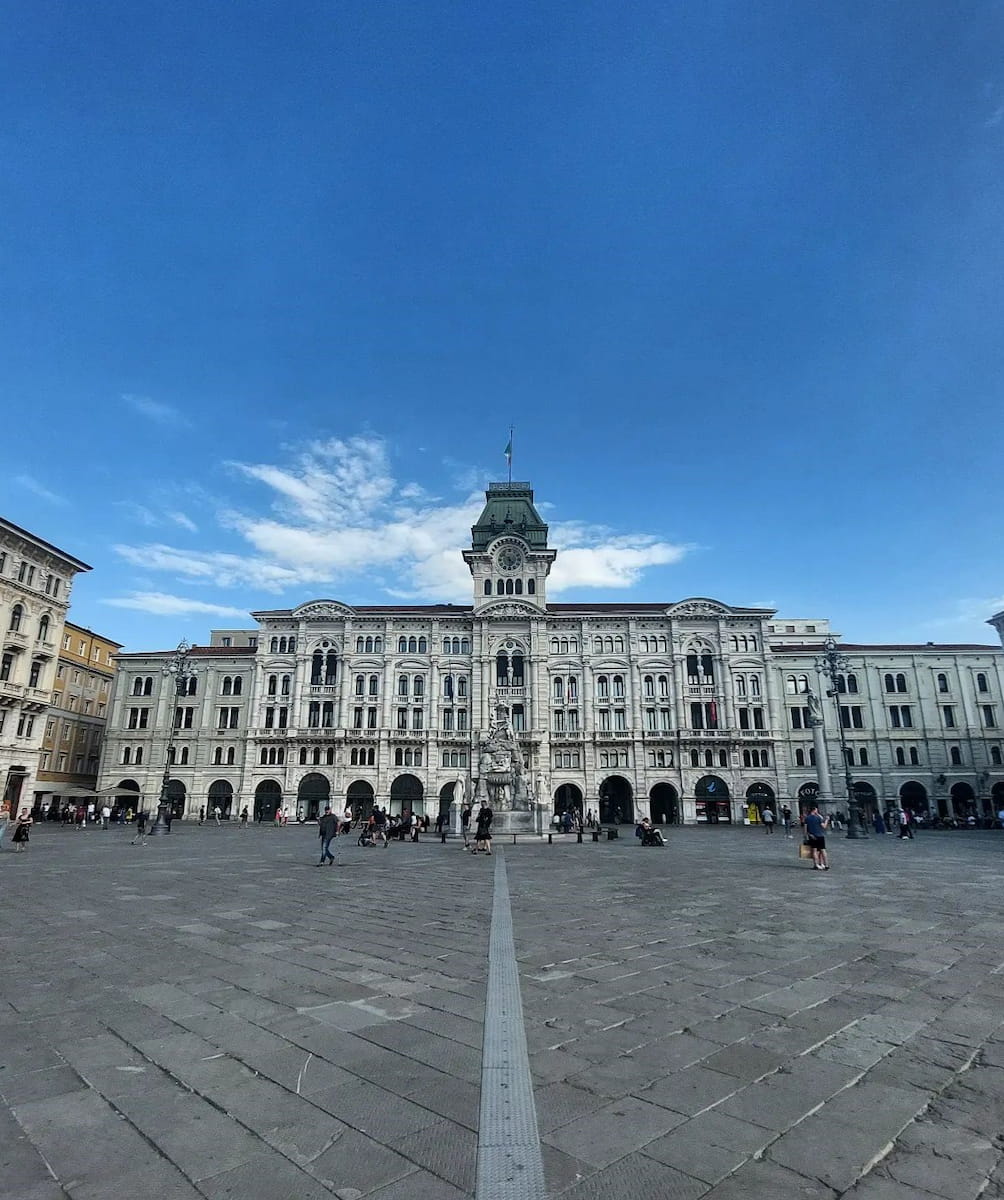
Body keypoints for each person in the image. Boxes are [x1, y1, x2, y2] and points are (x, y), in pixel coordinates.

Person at [803, 803, 830, 871]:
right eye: (816, 810)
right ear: (814, 810)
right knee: (823, 850)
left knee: (814, 851)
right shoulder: (818, 818)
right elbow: (824, 826)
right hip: (820, 836)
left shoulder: (807, 818)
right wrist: (827, 820)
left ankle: (816, 865)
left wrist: (805, 837)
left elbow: (805, 829)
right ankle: (826, 865)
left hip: (812, 836)